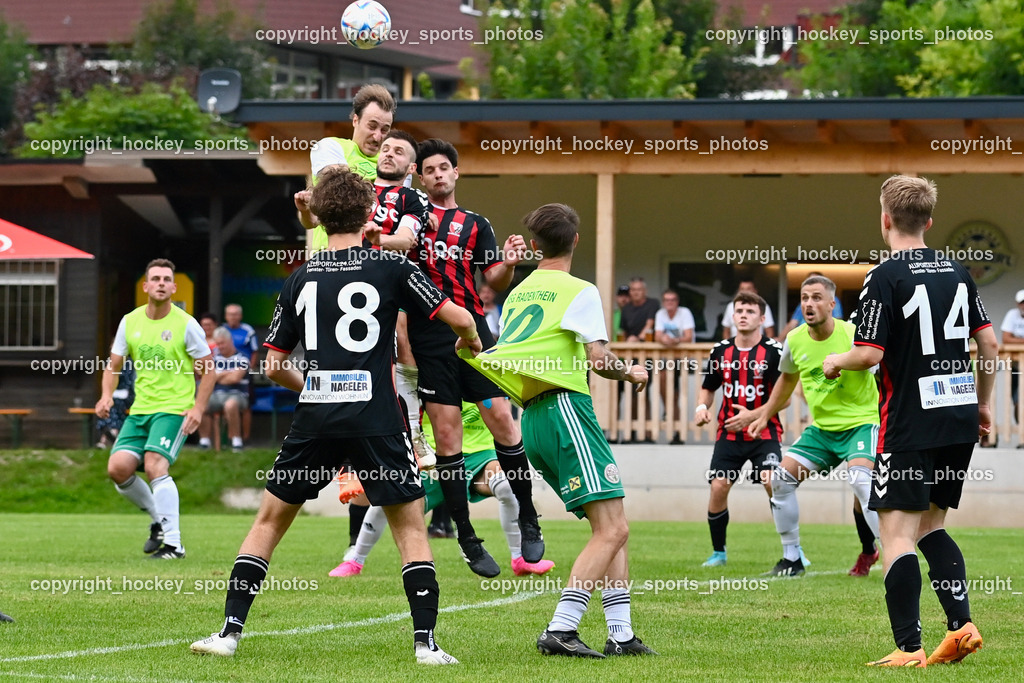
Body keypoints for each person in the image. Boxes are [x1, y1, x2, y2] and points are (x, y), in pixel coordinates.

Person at [190, 168, 481, 665]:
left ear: (319, 219)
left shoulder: (300, 278)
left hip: (316, 419)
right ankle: (426, 646)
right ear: (370, 215)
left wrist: (317, 390)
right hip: (378, 420)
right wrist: (469, 342)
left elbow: (273, 365)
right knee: (410, 528)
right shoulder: (393, 267)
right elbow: (462, 318)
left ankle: (228, 634)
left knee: (268, 522)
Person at [465, 203, 656, 658]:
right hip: (566, 407)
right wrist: (631, 373)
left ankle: (622, 633)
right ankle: (562, 628)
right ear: (575, 241)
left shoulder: (518, 294)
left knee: (611, 525)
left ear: (534, 247)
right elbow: (598, 359)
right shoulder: (580, 290)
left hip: (531, 419)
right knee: (612, 529)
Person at [823, 175, 997, 668]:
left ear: (884, 219)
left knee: (896, 536)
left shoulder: (884, 277)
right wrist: (983, 405)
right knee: (931, 527)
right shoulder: (960, 272)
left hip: (909, 420)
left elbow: (869, 353)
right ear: (930, 221)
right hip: (958, 414)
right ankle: (961, 627)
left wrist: (837, 360)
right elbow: (989, 345)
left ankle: (907, 648)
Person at [410, 138, 543, 576]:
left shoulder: (475, 223)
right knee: (447, 439)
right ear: (420, 176)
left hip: (476, 334)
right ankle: (466, 536)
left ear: (456, 173)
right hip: (429, 337)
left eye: (444, 167)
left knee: (502, 421)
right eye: (429, 169)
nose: (438, 174)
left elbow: (495, 279)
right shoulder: (410, 224)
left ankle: (527, 515)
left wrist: (509, 262)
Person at [744, 275, 881, 578]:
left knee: (861, 481)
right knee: (779, 480)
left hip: (862, 423)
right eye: (805, 298)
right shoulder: (793, 339)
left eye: (817, 297)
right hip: (822, 431)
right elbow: (787, 379)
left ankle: (894, 555)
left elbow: (881, 371)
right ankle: (792, 559)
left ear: (833, 304)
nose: (809, 303)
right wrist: (765, 414)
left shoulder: (854, 333)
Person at [330, 402, 555, 578]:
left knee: (508, 485)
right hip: (436, 458)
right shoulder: (429, 371)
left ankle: (520, 559)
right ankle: (355, 559)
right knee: (390, 500)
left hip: (480, 455)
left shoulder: (485, 365)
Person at [96, 259, 216, 560]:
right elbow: (113, 366)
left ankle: (174, 545)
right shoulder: (130, 321)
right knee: (118, 468)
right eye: (155, 278)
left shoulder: (186, 324)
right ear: (146, 286)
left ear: (174, 288)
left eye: (166, 279)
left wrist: (198, 409)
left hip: (174, 409)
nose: (161, 283)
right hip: (140, 411)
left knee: (154, 465)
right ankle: (157, 520)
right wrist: (105, 396)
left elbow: (209, 370)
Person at [694, 292, 782, 567]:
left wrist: (753, 416)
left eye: (750, 311)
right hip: (729, 433)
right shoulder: (720, 351)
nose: (744, 315)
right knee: (719, 485)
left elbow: (785, 396)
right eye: (739, 310)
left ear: (762, 318)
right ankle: (718, 552)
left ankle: (792, 549)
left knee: (773, 482)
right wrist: (701, 408)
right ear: (732, 317)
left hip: (764, 432)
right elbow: (708, 388)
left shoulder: (774, 351)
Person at [295, 84, 397, 252]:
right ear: (355, 120)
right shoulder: (329, 147)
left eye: (385, 130)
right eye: (372, 126)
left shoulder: (393, 161)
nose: (378, 136)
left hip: (376, 262)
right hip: (331, 258)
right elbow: (340, 196)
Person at [197, 327, 251, 452]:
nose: (220, 346)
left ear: (230, 341)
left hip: (238, 395)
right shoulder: (214, 359)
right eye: (218, 343)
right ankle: (204, 441)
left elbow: (235, 378)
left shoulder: (242, 358)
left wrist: (217, 376)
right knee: (201, 404)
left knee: (230, 405)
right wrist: (226, 373)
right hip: (216, 395)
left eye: (222, 343)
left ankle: (236, 441)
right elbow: (206, 376)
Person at [620, 277, 659, 442]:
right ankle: (632, 433)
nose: (636, 293)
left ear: (645, 291)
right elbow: (622, 332)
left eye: (639, 289)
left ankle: (648, 434)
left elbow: (650, 324)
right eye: (633, 290)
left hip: (647, 355)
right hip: (629, 356)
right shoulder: (626, 309)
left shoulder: (652, 304)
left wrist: (638, 338)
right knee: (631, 394)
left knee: (645, 392)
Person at [656, 289, 695, 444]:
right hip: (668, 359)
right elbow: (658, 335)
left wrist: (675, 340)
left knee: (678, 394)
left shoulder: (684, 313)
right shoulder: (660, 314)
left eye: (672, 300)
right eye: (666, 300)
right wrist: (664, 339)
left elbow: (688, 336)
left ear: (677, 302)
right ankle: (669, 410)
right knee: (663, 380)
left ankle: (673, 418)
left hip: (685, 359)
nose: (669, 303)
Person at [780, 272, 843, 338]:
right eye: (809, 281)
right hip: (803, 337)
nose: (809, 304)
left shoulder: (832, 300)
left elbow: (838, 319)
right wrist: (779, 339)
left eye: (817, 298)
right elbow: (792, 323)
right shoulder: (804, 304)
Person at [999, 289, 1024, 425]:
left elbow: (1010, 337)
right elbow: (1006, 338)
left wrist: (1016, 339)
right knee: (1018, 400)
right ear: (1017, 304)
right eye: (1022, 303)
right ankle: (1022, 435)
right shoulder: (1012, 315)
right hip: (1016, 367)